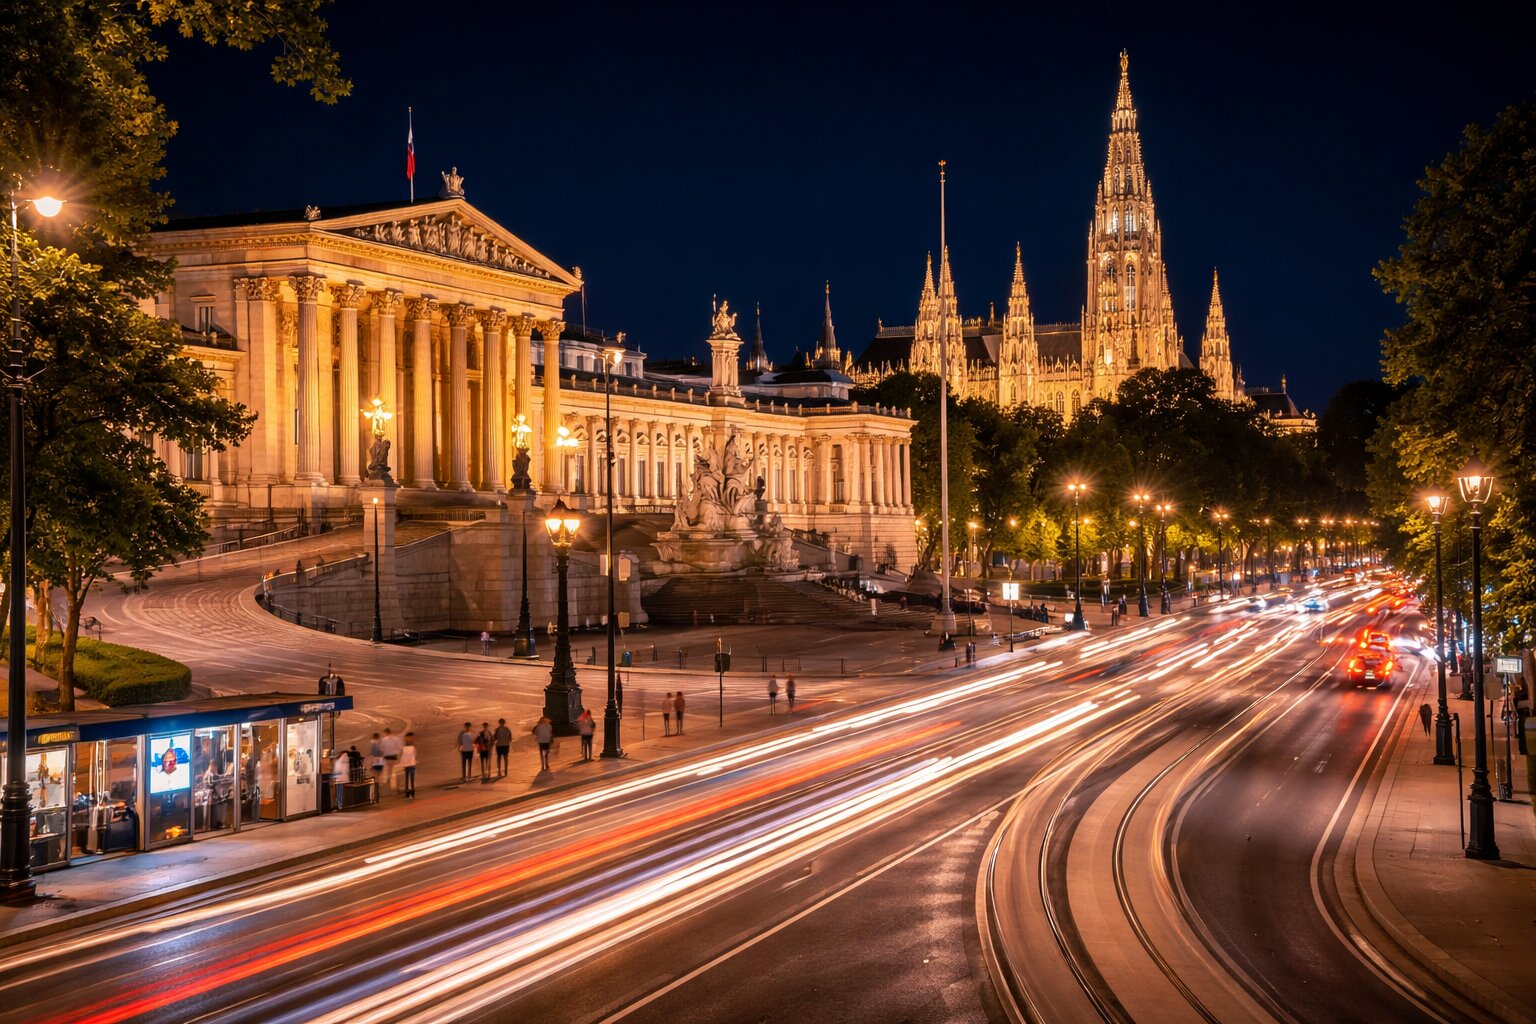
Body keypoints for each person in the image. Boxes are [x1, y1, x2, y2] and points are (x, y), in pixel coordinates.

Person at [379, 728, 402, 793]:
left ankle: (390, 789)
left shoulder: (383, 740)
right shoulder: (396, 739)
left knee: (389, 773)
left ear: (386, 733)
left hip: (387, 758)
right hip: (394, 758)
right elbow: (400, 748)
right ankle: (396, 788)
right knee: (395, 773)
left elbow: (381, 749)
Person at [399, 733, 417, 798]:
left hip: (407, 765)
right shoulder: (413, 748)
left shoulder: (404, 748)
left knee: (407, 778)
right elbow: (415, 755)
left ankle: (407, 792)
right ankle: (412, 791)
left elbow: (403, 757)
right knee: (411, 778)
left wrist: (403, 764)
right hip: (412, 764)